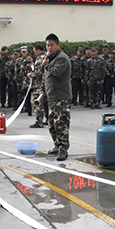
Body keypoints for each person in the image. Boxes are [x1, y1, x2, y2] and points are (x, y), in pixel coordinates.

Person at [40, 33, 71, 161]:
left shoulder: (62, 58)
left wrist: (46, 65)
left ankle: (63, 149)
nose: (49, 48)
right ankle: (57, 145)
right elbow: (46, 76)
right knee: (52, 124)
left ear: (58, 45)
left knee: (61, 124)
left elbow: (57, 72)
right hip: (51, 97)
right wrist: (43, 89)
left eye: (51, 45)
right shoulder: (50, 58)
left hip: (61, 97)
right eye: (47, 45)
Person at [29, 44, 47, 128]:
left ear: (39, 50)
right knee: (46, 103)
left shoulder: (40, 59)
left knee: (38, 103)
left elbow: (39, 72)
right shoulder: (46, 56)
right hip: (46, 83)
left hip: (39, 84)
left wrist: (31, 74)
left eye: (35, 51)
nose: (35, 53)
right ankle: (48, 119)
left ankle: (39, 121)